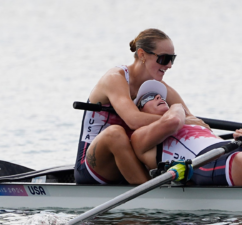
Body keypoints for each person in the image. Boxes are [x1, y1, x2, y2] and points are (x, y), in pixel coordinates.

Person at [75, 28, 209, 184]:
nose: (170, 65)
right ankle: (150, 193)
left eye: (173, 58)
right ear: (142, 55)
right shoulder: (114, 79)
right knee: (115, 134)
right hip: (92, 166)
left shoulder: (160, 88)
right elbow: (134, 120)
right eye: (164, 58)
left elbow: (194, 121)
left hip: (131, 159)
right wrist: (178, 120)